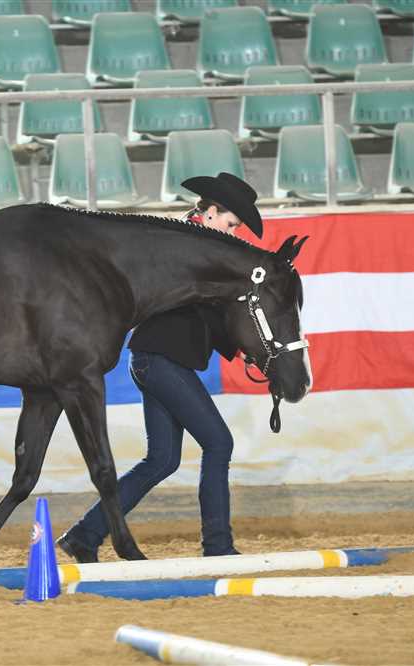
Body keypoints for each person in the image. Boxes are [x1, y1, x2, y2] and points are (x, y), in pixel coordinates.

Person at [57, 172, 264, 563]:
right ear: (210, 212)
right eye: (231, 223)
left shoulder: (200, 249)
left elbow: (208, 315)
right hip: (160, 360)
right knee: (219, 443)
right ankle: (217, 545)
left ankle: (85, 534)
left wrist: (244, 347)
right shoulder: (184, 245)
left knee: (163, 460)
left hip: (156, 359)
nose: (233, 233)